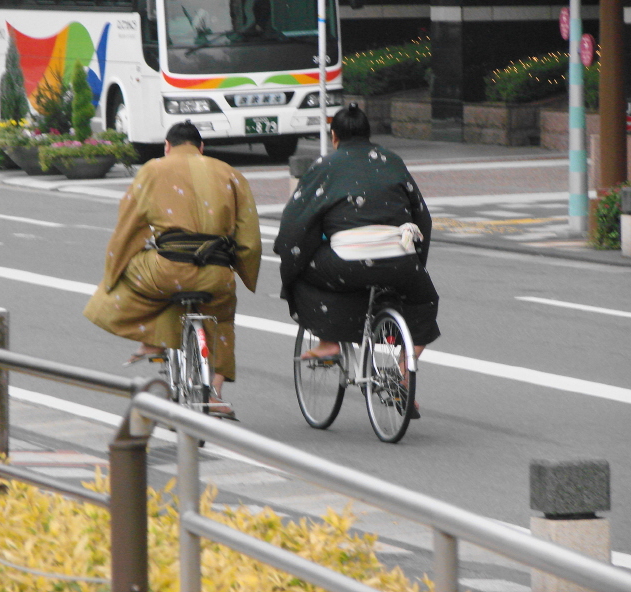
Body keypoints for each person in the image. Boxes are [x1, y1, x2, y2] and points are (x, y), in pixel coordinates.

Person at [83, 121, 262, 418]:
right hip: (217, 273)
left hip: (167, 269)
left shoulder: (153, 170)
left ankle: (152, 341)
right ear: (201, 148)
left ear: (167, 147)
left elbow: (128, 229)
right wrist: (243, 271)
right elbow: (250, 241)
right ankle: (215, 392)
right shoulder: (230, 173)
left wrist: (114, 270)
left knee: (145, 274)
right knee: (222, 316)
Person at [274, 103, 440, 417]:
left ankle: (328, 340)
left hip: (347, 261)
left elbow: (296, 222)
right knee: (425, 300)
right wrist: (416, 263)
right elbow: (422, 217)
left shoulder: (326, 165)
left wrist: (292, 255)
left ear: (334, 136)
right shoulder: (392, 161)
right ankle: (404, 373)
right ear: (369, 134)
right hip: (399, 257)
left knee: (302, 270)